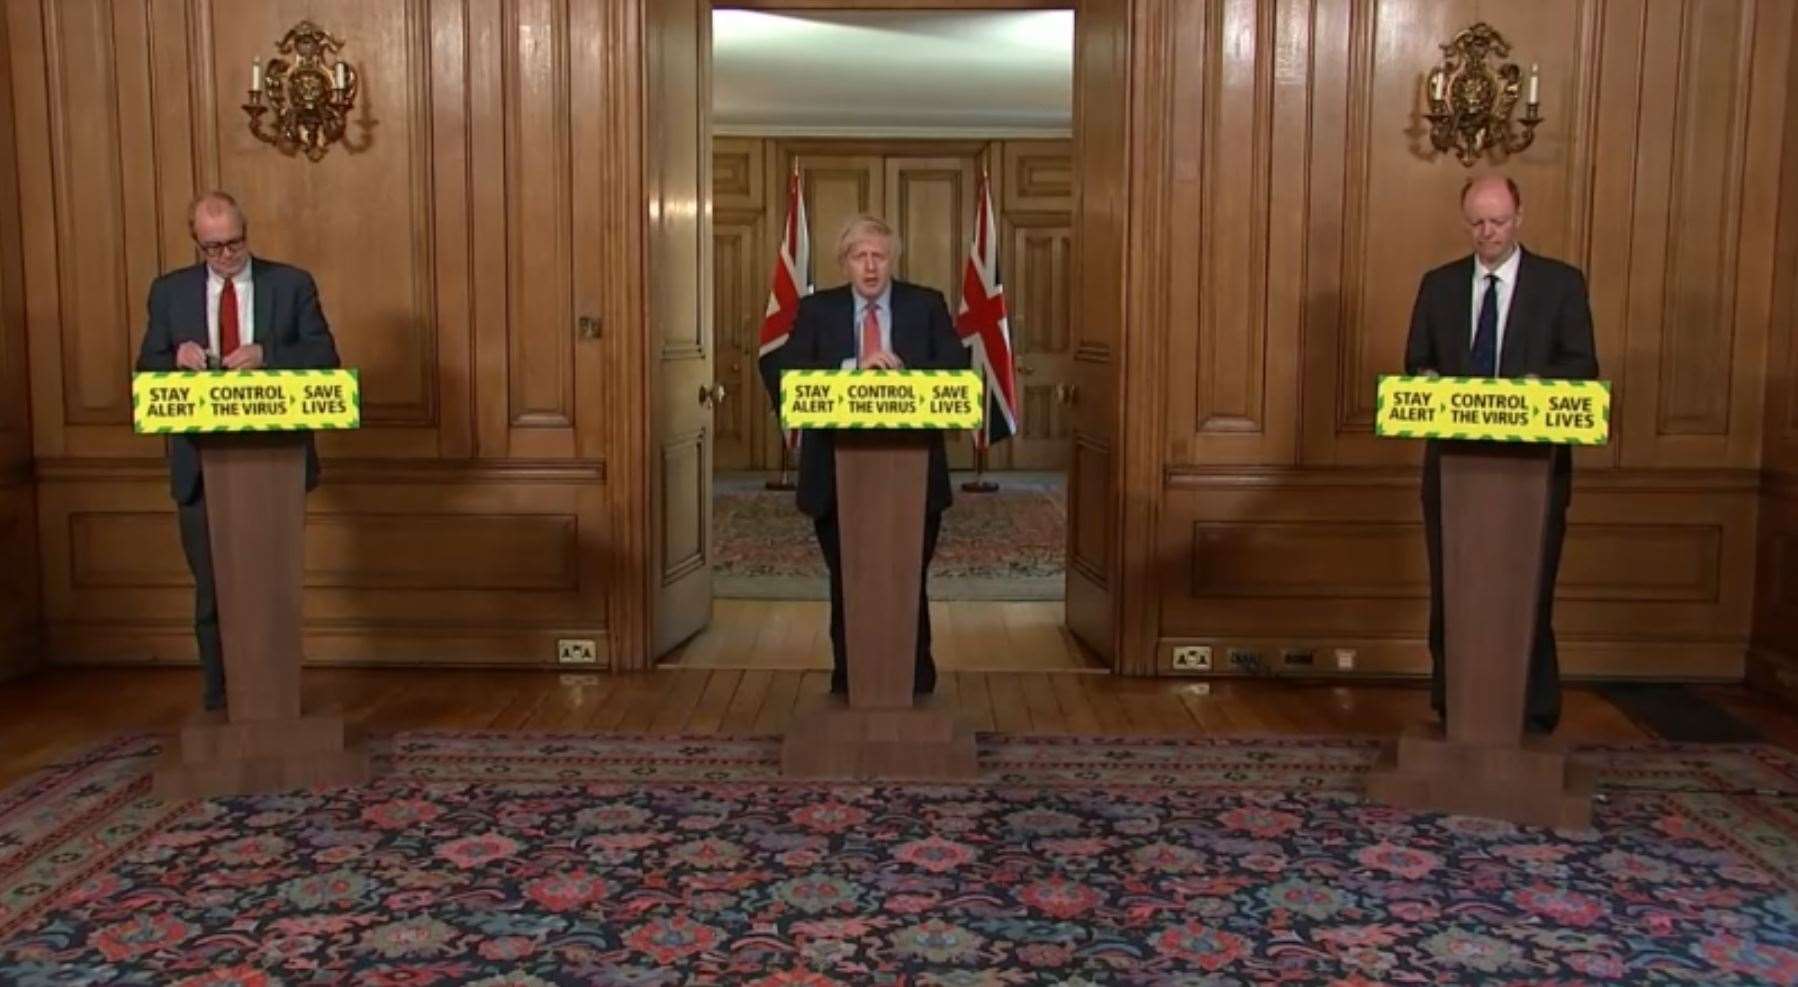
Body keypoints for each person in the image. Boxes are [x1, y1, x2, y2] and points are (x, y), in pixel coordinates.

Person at [1403, 174, 1599, 734]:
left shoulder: (1560, 285)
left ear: (1520, 217)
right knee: (1453, 588)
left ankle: (1532, 708)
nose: (1487, 234)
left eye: (1498, 222)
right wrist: (1430, 378)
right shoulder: (1438, 286)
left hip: (1532, 475)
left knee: (1529, 590)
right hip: (1454, 472)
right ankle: (1452, 702)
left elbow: (1582, 365)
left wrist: (1531, 387)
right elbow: (1417, 364)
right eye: (1477, 224)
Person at [134, 191, 341, 710]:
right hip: (199, 468)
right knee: (212, 591)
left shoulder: (290, 284)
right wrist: (173, 357)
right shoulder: (169, 293)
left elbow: (325, 357)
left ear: (248, 233)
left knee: (271, 589)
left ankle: (276, 703)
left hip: (274, 464)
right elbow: (146, 368)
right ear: (197, 245)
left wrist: (269, 356)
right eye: (213, 248)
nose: (226, 255)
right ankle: (220, 703)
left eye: (235, 243)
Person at [779, 214, 970, 695]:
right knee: (850, 581)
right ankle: (850, 680)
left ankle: (915, 681)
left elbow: (955, 366)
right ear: (843, 263)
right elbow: (788, 371)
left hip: (914, 477)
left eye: (878, 256)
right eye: (860, 256)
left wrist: (903, 374)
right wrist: (851, 369)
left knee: (906, 580)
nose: (870, 266)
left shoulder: (926, 305)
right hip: (835, 478)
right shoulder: (816, 310)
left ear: (892, 260)